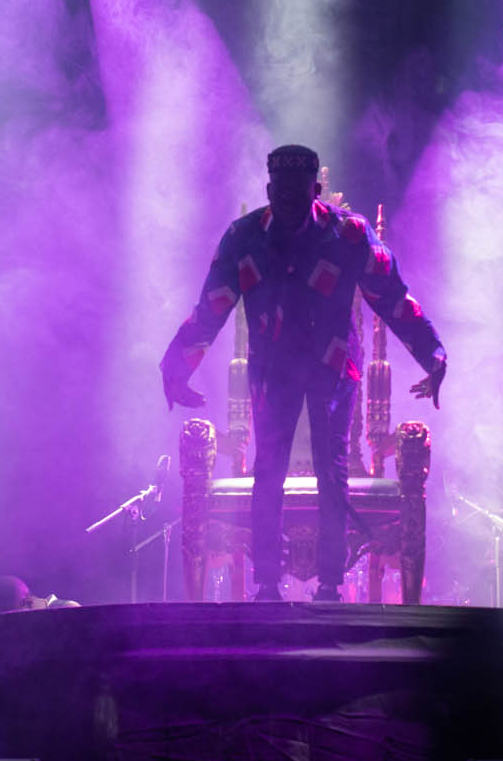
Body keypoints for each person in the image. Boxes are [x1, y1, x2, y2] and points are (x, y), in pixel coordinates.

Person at [161, 145, 447, 602]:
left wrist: (432, 354)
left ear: (316, 190)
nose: (290, 201)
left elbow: (394, 296)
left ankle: (331, 583)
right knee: (268, 466)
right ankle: (268, 584)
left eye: (299, 193)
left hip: (333, 365)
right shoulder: (243, 237)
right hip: (273, 368)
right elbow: (211, 307)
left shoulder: (349, 235)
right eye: (281, 193)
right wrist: (176, 368)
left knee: (332, 466)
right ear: (269, 189)